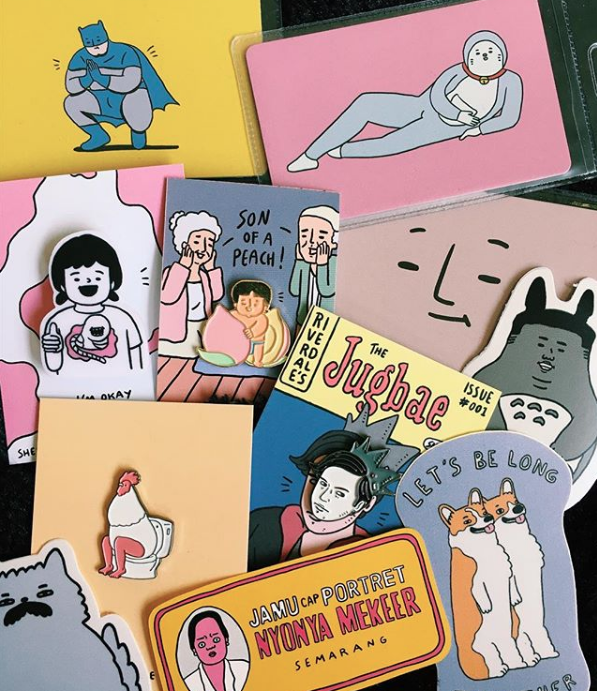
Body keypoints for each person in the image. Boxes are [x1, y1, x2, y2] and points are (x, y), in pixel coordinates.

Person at [287, 31, 522, 171]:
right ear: (468, 57)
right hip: (422, 106)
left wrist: (478, 129)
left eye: (490, 52)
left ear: (502, 56)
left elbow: (509, 118)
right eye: (477, 52)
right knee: (366, 103)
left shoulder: (511, 81)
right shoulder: (458, 70)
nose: (484, 56)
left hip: (442, 127)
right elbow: (437, 94)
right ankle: (310, 155)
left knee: (392, 143)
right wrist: (457, 113)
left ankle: (342, 150)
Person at [64, 20, 178, 151]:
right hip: (99, 98)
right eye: (89, 43)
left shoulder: (125, 52)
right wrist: (87, 79)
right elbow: (71, 86)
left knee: (139, 108)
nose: (95, 46)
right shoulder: (79, 57)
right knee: (71, 103)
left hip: (129, 96)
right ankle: (98, 135)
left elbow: (132, 82)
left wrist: (102, 79)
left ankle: (138, 132)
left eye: (98, 41)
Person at [41, 233, 144, 375]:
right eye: (76, 279)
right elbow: (53, 367)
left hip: (122, 383)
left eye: (97, 277)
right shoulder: (57, 322)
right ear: (62, 285)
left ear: (112, 281)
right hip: (70, 384)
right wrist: (52, 349)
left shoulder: (124, 319)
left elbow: (137, 359)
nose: (88, 283)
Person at [160, 211, 224, 358]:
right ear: (184, 244)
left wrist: (211, 268)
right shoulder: (174, 271)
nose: (203, 248)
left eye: (209, 244)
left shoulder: (204, 276)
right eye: (197, 242)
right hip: (179, 332)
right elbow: (168, 296)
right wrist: (183, 265)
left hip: (201, 328)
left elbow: (217, 295)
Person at [198, 281, 291, 368]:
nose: (249, 308)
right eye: (244, 303)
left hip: (255, 341)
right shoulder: (233, 314)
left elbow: (261, 327)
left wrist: (253, 332)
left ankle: (257, 360)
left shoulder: (262, 318)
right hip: (237, 342)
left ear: (265, 307)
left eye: (255, 304)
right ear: (236, 305)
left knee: (259, 346)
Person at [289, 205, 338, 331]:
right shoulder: (304, 264)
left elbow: (327, 290)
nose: (311, 242)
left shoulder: (333, 263)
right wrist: (299, 261)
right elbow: (294, 289)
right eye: (304, 235)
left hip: (323, 325)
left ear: (333, 242)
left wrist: (322, 264)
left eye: (321, 236)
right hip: (302, 319)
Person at [183, 610, 249, 691]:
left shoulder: (244, 669)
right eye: (202, 644)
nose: (210, 646)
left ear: (226, 639)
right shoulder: (189, 684)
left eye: (216, 639)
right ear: (194, 650)